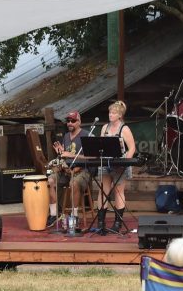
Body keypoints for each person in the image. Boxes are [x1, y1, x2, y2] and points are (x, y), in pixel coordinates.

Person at [97, 100, 136, 234]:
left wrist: (125, 162)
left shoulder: (124, 129)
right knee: (103, 190)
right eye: (109, 112)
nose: (110, 115)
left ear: (119, 115)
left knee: (118, 191)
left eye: (113, 113)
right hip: (106, 161)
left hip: (120, 163)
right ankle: (100, 221)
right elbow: (100, 144)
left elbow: (132, 148)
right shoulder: (104, 128)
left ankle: (117, 222)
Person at [46, 110, 91, 228]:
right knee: (49, 181)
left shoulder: (87, 135)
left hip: (82, 170)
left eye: (73, 121)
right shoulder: (66, 136)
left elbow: (92, 156)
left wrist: (71, 155)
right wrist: (61, 153)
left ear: (79, 122)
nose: (70, 123)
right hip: (66, 171)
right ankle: (54, 214)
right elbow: (65, 156)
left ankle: (74, 215)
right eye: (68, 121)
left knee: (74, 183)